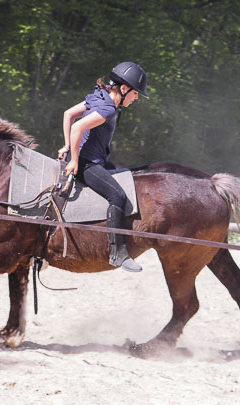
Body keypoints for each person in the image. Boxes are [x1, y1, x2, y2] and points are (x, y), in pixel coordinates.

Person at [58, 62, 148, 272]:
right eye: (135, 94)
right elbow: (78, 125)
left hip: (92, 157)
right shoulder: (108, 109)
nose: (135, 99)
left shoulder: (99, 96)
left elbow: (68, 114)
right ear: (124, 89)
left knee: (119, 171)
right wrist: (74, 160)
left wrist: (67, 146)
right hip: (86, 163)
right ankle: (118, 253)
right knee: (117, 196)